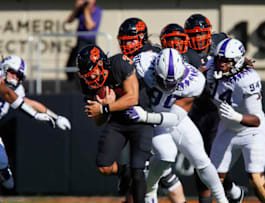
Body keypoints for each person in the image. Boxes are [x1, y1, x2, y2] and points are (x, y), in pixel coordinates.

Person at [127, 48, 229, 203]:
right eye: (163, 81)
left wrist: (145, 116)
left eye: (173, 82)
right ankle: (149, 191)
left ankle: (222, 200)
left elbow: (175, 118)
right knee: (167, 154)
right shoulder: (144, 64)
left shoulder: (194, 80)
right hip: (151, 117)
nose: (168, 86)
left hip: (172, 117)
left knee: (201, 159)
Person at [119, 18, 185, 203]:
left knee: (143, 173)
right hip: (150, 118)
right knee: (163, 173)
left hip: (153, 119)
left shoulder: (148, 57)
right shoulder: (145, 55)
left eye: (131, 39)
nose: (126, 44)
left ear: (141, 38)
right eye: (124, 40)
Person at [77, 45, 153, 203]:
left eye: (91, 75)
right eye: (86, 76)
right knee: (103, 166)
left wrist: (106, 106)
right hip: (118, 121)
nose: (89, 80)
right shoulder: (87, 83)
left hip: (141, 118)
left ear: (101, 65)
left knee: (138, 171)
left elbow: (133, 98)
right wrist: (103, 110)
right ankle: (124, 172)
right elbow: (98, 121)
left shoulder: (119, 63)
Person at [184, 14, 246, 203]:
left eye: (200, 34)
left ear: (209, 33)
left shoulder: (221, 42)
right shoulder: (185, 53)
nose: (197, 38)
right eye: (192, 35)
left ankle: (227, 192)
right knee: (199, 157)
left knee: (210, 157)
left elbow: (238, 60)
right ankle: (230, 191)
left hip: (219, 108)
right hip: (197, 108)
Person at [205, 38, 265, 203]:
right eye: (219, 59)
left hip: (251, 131)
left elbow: (256, 120)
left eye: (226, 61)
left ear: (237, 61)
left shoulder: (248, 80)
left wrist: (237, 116)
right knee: (214, 179)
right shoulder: (211, 67)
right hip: (227, 128)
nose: (221, 64)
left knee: (256, 179)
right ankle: (235, 196)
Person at [0, 55, 71, 190]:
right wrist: (35, 115)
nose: (15, 77)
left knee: (2, 160)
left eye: (18, 75)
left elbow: (28, 103)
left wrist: (55, 117)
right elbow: (7, 94)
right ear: (4, 68)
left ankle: (3, 170)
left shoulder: (17, 89)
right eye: (12, 72)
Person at [66, 0, 102, 81]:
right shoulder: (80, 10)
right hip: (80, 41)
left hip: (89, 41)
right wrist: (77, 8)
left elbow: (89, 26)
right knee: (71, 65)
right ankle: (74, 84)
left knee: (86, 64)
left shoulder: (97, 11)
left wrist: (86, 10)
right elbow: (69, 20)